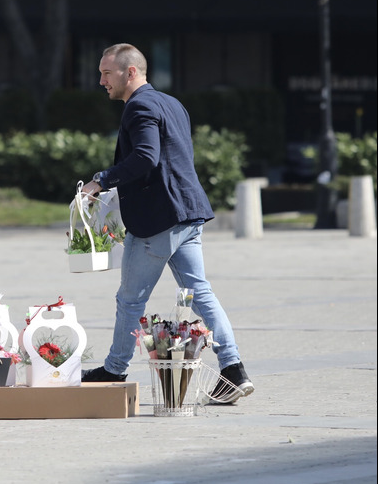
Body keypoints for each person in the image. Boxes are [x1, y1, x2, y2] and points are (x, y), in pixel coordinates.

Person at [79, 43, 254, 403]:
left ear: (130, 72)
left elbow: (146, 156)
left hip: (158, 220)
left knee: (130, 300)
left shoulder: (139, 106)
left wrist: (103, 179)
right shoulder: (172, 103)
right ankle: (233, 369)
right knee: (200, 292)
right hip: (187, 213)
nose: (101, 80)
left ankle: (114, 369)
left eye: (106, 73)